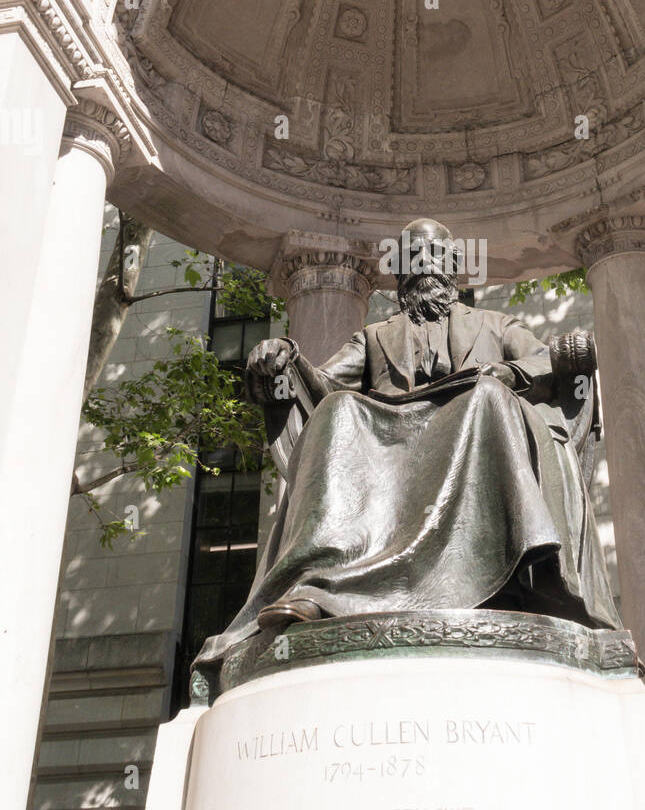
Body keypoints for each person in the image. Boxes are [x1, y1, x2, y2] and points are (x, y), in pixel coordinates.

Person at [193, 218, 621, 674]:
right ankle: (319, 583)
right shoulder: (376, 337)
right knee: (339, 410)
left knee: (486, 399)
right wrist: (287, 359)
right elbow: (322, 385)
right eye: (412, 257)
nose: (424, 264)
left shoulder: (496, 325)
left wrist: (509, 375)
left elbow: (546, 358)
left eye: (434, 254)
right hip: (393, 445)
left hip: (477, 431)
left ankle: (497, 577)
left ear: (454, 266)